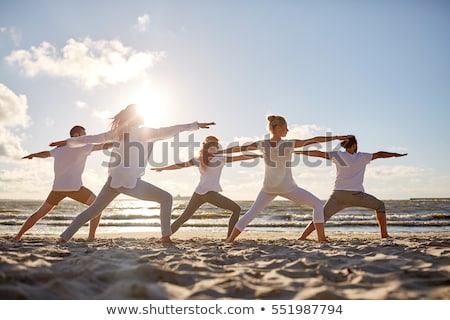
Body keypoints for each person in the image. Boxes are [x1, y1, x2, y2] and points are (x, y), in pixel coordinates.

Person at [50, 104, 214, 244]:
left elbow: (92, 138)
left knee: (92, 211)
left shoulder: (118, 133)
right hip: (129, 182)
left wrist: (66, 142)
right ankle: (166, 237)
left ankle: (64, 238)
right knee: (166, 198)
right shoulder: (144, 132)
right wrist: (196, 125)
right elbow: (171, 129)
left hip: (113, 180)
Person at [219, 115, 352, 243]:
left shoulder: (262, 144)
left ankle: (230, 240)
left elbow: (238, 148)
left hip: (268, 188)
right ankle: (321, 239)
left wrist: (220, 152)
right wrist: (335, 137)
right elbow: (313, 140)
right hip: (287, 187)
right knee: (317, 204)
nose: (287, 130)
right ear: (278, 128)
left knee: (250, 214)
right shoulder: (289, 144)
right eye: (286, 127)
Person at [296, 136, 407, 240]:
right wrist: (396, 154)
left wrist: (300, 152)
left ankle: (302, 237)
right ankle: (384, 235)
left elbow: (318, 154)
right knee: (380, 206)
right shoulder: (363, 157)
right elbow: (380, 154)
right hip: (356, 196)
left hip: (338, 196)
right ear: (354, 145)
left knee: (321, 217)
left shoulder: (338, 155)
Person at [152, 135, 262, 238]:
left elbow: (241, 157)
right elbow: (180, 165)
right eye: (211, 144)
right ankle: (229, 239)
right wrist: (164, 168)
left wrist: (258, 155)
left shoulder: (209, 158)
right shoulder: (205, 159)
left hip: (199, 193)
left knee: (184, 217)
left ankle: (165, 237)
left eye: (215, 144)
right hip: (209, 194)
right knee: (236, 209)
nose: (214, 146)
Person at [14, 125, 112, 241]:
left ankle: (17, 236)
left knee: (40, 213)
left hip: (58, 189)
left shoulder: (59, 149)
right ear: (76, 135)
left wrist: (33, 155)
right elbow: (102, 146)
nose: (86, 137)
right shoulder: (83, 147)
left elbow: (45, 154)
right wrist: (118, 141)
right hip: (74, 188)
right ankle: (91, 237)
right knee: (97, 206)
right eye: (83, 134)